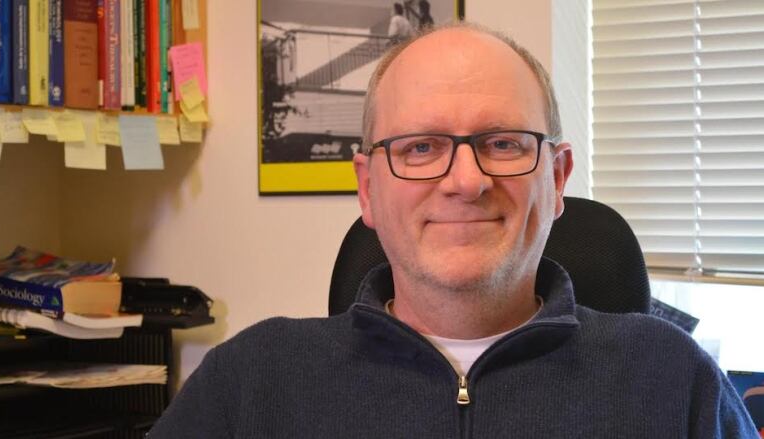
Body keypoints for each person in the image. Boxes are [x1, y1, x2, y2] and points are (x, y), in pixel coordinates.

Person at [148, 22, 758, 438]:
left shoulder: (673, 382)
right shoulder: (252, 385)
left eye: (502, 143)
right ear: (367, 187)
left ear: (558, 177)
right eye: (419, 148)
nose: (466, 181)